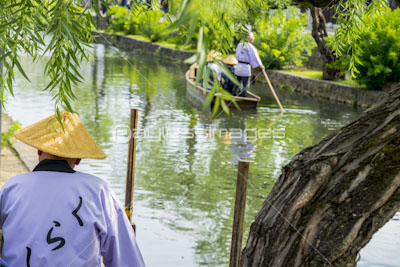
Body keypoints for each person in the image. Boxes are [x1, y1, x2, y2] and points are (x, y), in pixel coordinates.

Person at [0, 111, 145, 267]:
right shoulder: (98, 190)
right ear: (78, 159)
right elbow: (126, 258)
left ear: (39, 151)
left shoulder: (12, 187)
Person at [233, 32, 264, 97]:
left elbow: (237, 54)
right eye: (252, 38)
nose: (253, 40)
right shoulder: (250, 46)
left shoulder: (239, 44)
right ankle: (243, 97)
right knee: (245, 85)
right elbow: (254, 56)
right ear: (249, 38)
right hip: (245, 67)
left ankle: (234, 95)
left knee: (236, 83)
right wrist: (260, 65)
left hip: (238, 66)